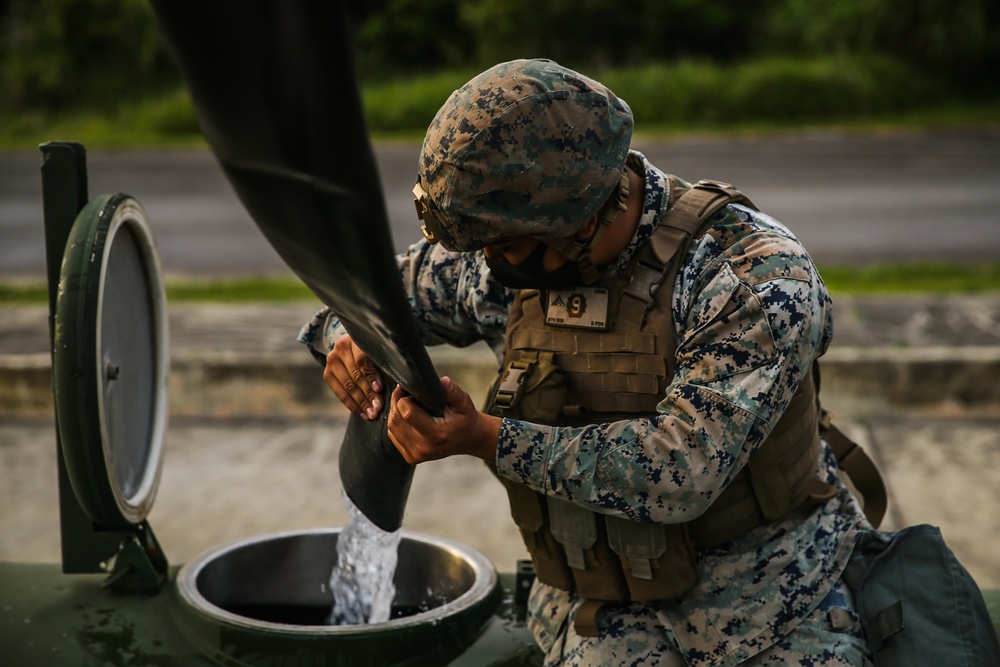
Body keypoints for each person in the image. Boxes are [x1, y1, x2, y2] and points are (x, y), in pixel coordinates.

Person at [300, 58, 875, 666]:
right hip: (591, 599)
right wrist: (356, 338)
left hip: (767, 600)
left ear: (583, 219)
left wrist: (486, 438)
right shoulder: (508, 245)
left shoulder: (749, 276)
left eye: (506, 247)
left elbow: (682, 468)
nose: (489, 263)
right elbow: (373, 294)